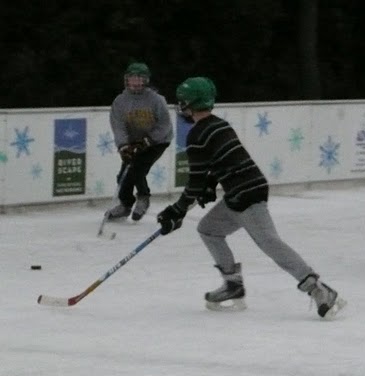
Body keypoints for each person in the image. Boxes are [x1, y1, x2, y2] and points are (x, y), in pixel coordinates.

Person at [156, 76, 346, 319]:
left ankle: (318, 289)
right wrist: (210, 184)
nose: (180, 106)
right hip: (240, 192)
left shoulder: (197, 135)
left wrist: (176, 210)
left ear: (190, 104)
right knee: (209, 230)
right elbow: (222, 162)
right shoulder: (220, 125)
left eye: (182, 101)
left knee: (268, 242)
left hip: (246, 193)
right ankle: (233, 285)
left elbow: (195, 182)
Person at [107, 62, 174, 221]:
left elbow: (164, 125)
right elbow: (118, 126)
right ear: (126, 80)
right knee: (123, 175)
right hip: (133, 141)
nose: (135, 83)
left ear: (146, 81)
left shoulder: (156, 100)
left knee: (137, 169)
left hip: (158, 141)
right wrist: (123, 146)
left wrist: (148, 141)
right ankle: (125, 204)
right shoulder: (120, 101)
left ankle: (143, 198)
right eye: (132, 79)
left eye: (139, 79)